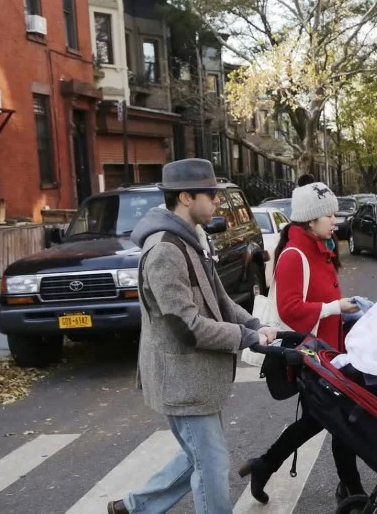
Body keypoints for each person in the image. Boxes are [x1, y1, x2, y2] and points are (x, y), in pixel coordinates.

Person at [108, 159, 278, 514]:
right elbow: (187, 327)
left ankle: (134, 507)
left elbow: (219, 299)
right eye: (211, 193)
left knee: (197, 456)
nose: (217, 200)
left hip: (196, 379)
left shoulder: (191, 240)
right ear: (185, 197)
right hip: (181, 378)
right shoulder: (165, 251)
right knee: (211, 464)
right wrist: (244, 337)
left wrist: (253, 324)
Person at [237, 181, 366, 505]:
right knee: (339, 419)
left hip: (327, 353)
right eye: (329, 215)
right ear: (310, 219)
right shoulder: (295, 255)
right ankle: (351, 490)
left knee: (320, 419)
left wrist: (345, 313)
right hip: (309, 355)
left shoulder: (320, 247)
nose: (335, 220)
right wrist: (336, 307)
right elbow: (290, 310)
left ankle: (264, 466)